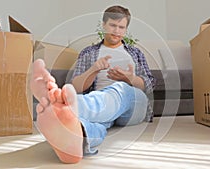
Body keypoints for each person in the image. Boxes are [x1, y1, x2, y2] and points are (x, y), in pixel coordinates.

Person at [30, 5, 155, 164]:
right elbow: (76, 86)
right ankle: (76, 138)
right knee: (95, 124)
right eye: (112, 25)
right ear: (103, 25)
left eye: (121, 27)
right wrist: (94, 69)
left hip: (134, 103)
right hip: (104, 106)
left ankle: (61, 104)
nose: (117, 31)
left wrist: (131, 79)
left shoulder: (135, 53)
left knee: (120, 88)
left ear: (126, 30)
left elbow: (150, 85)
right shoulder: (88, 53)